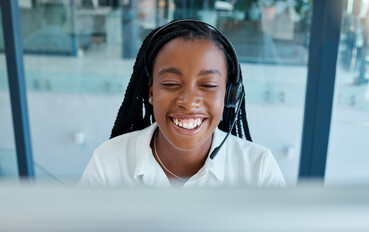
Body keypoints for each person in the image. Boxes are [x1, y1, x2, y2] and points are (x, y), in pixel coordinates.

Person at [79, 19, 286, 187]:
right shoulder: (108, 162)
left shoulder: (259, 170)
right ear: (151, 91)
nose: (188, 103)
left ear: (230, 95)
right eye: (170, 83)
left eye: (208, 85)